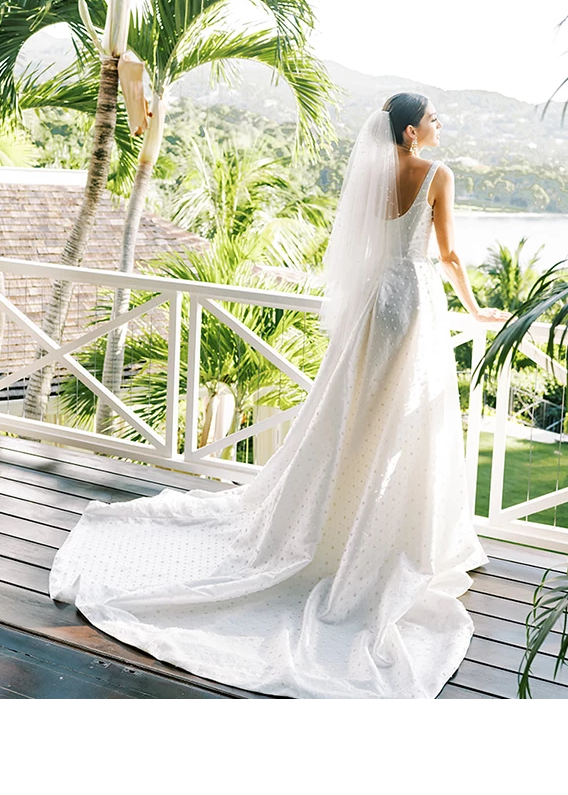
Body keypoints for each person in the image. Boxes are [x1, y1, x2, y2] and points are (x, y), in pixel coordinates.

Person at [49, 92, 511, 702]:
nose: (438, 124)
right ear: (408, 132)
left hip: (375, 304)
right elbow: (447, 253)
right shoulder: (437, 175)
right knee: (402, 422)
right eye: (430, 118)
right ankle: (390, 531)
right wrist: (476, 309)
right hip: (415, 302)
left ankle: (340, 520)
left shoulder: (374, 175)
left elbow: (366, 245)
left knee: (356, 415)